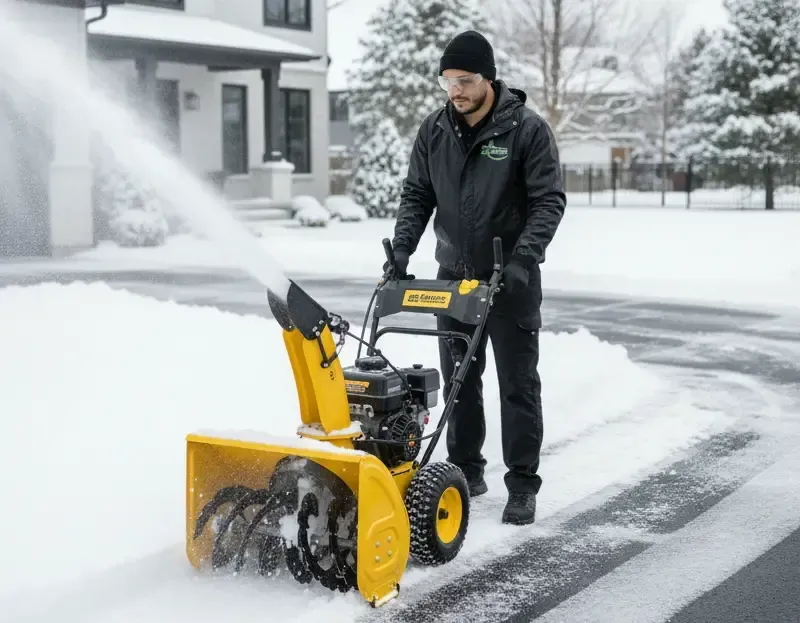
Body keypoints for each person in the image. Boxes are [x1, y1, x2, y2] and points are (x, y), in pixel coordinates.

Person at [388, 30, 566, 525]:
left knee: (517, 385)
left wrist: (523, 258)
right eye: (447, 81)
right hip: (455, 278)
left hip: (511, 280)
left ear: (488, 78)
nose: (455, 90)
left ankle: (522, 484)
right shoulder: (434, 130)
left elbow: (549, 200)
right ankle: (466, 469)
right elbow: (417, 194)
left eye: (465, 80)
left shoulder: (526, 130)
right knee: (459, 382)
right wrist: (402, 248)